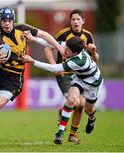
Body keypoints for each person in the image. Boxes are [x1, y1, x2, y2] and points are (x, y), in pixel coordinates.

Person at [0, 7, 65, 148]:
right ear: (0, 21)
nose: (7, 23)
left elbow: (44, 34)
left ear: (13, 21)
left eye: (9, 20)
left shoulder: (22, 28)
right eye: (4, 20)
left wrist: (59, 47)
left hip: (13, 80)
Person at [22, 36, 103, 145]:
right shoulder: (71, 46)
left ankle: (92, 117)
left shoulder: (78, 61)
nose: (64, 51)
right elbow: (52, 43)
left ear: (75, 53)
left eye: (68, 51)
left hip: (93, 83)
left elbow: (53, 68)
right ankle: (60, 133)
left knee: (88, 110)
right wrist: (34, 39)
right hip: (79, 78)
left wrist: (33, 61)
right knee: (71, 100)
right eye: (66, 48)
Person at [43, 9, 99, 144]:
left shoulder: (88, 35)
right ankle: (64, 127)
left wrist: (93, 51)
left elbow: (95, 59)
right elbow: (47, 48)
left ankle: (73, 134)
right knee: (76, 102)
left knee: (80, 106)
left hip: (81, 75)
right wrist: (53, 66)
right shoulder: (63, 34)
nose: (75, 21)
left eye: (78, 19)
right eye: (73, 19)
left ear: (83, 21)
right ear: (70, 21)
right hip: (65, 73)